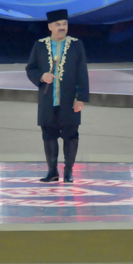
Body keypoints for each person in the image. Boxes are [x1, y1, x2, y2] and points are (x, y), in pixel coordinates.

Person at [25, 9, 90, 183]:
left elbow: (82, 72)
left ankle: (68, 171)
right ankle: (52, 171)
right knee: (48, 134)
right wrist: (41, 76)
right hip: (48, 99)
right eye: (58, 25)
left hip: (70, 100)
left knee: (71, 134)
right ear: (50, 27)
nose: (62, 27)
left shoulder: (76, 44)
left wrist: (81, 97)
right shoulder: (40, 45)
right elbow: (30, 68)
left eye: (64, 24)